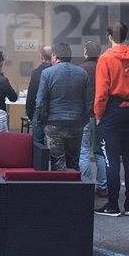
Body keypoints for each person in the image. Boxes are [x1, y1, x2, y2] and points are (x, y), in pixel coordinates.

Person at [93, 22, 129, 218]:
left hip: (112, 112)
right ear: (125, 36)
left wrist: (99, 114)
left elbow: (101, 92)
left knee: (111, 159)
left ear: (109, 36)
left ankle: (112, 205)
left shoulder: (105, 59)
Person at [35, 42, 88, 170]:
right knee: (74, 162)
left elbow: (40, 102)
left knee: (57, 164)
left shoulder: (47, 73)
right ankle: (75, 189)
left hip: (54, 123)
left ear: (54, 56)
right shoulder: (82, 73)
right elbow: (87, 101)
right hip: (76, 123)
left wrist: (42, 122)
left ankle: (61, 189)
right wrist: (83, 121)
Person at [78, 40, 108, 198]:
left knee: (83, 151)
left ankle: (86, 185)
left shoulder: (79, 70)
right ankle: (102, 186)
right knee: (100, 151)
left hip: (83, 116)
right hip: (101, 116)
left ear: (85, 53)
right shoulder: (104, 68)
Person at [25, 45, 53, 147]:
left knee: (38, 145)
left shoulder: (36, 73)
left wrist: (30, 114)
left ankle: (40, 163)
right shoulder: (58, 71)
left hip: (39, 113)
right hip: (54, 112)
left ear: (41, 57)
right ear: (53, 56)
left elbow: (31, 94)